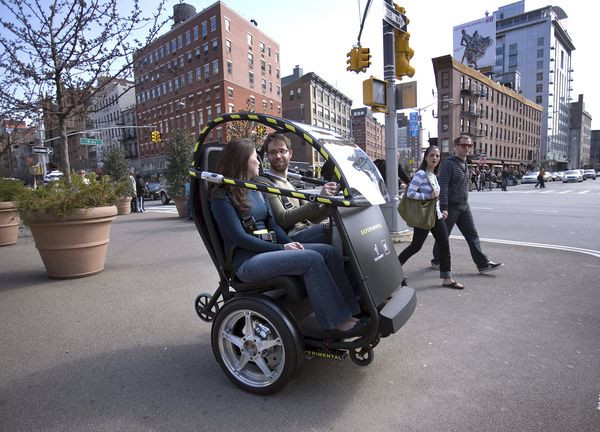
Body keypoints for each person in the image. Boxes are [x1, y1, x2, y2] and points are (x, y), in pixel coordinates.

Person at [210, 138, 365, 337]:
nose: (259, 161)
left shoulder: (255, 189)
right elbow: (240, 238)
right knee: (311, 259)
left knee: (329, 252)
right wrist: (282, 249)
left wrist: (288, 243)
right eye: (254, 157)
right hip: (247, 262)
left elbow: (273, 224)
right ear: (241, 161)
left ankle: (351, 310)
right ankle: (336, 321)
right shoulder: (221, 197)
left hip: (267, 252)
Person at [431, 135, 503, 274]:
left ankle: (482, 264)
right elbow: (443, 185)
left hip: (464, 206)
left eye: (469, 145)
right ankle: (437, 260)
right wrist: (444, 207)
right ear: (456, 147)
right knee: (443, 236)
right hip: (451, 206)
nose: (467, 148)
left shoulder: (465, 163)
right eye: (463, 145)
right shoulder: (448, 163)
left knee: (472, 235)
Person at [398, 146, 464, 289]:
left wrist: (442, 210)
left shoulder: (434, 175)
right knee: (416, 246)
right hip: (424, 216)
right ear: (426, 157)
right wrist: (428, 196)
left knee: (444, 245)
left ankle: (447, 278)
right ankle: (395, 267)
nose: (435, 158)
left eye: (437, 156)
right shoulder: (421, 174)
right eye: (432, 155)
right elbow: (410, 193)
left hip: (436, 216)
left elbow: (436, 198)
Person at [256, 133, 336, 243]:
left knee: (340, 225)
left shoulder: (290, 184)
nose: (278, 156)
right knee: (335, 231)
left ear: (290, 154)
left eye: (282, 151)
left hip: (306, 231)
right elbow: (282, 219)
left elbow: (313, 218)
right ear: (267, 156)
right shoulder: (263, 182)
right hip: (291, 238)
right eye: (272, 152)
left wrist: (328, 203)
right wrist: (318, 200)